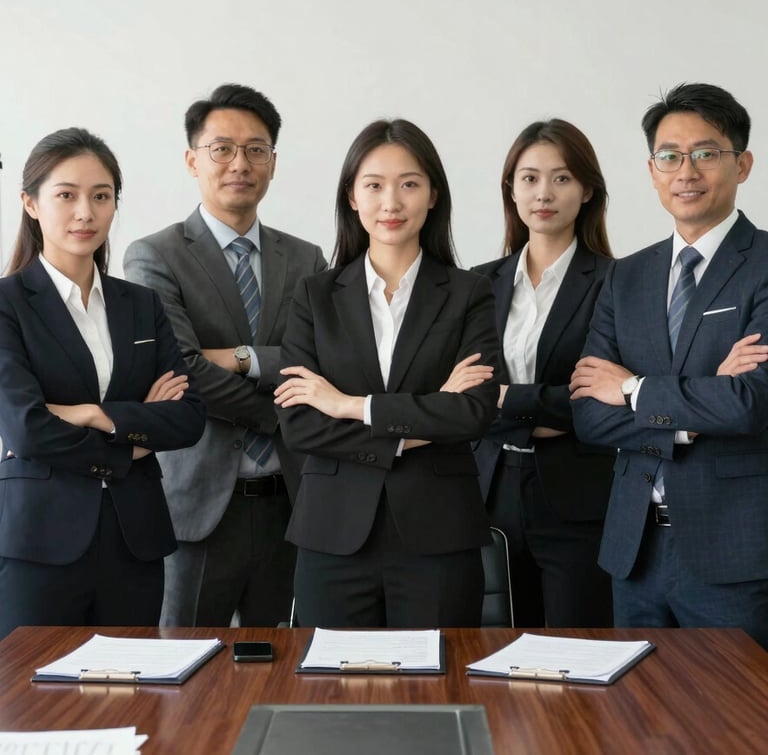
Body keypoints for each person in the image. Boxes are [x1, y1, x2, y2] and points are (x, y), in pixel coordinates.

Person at [274, 118, 500, 628]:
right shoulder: (315, 295)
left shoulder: (470, 293)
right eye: (373, 185)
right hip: (332, 534)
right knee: (330, 696)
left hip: (439, 533)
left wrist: (349, 406)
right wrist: (420, 422)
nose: (391, 202)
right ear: (352, 197)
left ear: (433, 195)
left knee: (436, 693)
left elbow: (473, 413)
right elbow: (300, 423)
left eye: (409, 184)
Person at [570, 83, 768, 648]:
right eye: (670, 156)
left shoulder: (764, 266)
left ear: (742, 164)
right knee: (634, 725)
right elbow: (588, 414)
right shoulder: (626, 276)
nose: (688, 171)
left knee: (733, 728)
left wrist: (632, 389)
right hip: (634, 552)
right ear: (652, 170)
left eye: (707, 153)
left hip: (734, 551)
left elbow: (751, 402)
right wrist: (697, 407)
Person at [123, 84, 326, 628]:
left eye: (256, 149)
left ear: (273, 163)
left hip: (291, 498)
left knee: (283, 671)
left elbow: (320, 364)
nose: (240, 163)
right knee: (183, 675)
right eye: (222, 149)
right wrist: (277, 409)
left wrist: (240, 357)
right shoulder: (153, 256)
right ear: (193, 160)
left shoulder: (306, 257)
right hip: (198, 503)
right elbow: (180, 367)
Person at [0, 127, 205, 639]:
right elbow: (27, 430)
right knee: (33, 703)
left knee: (131, 694)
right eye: (66, 196)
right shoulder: (7, 305)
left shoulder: (141, 304)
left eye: (101, 196)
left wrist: (94, 414)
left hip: (134, 539)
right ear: (30, 203)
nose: (85, 213)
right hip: (39, 541)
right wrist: (132, 442)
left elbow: (187, 419)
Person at [472, 119, 615, 628]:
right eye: (529, 178)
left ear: (587, 189)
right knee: (490, 656)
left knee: (574, 659)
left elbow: (600, 403)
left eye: (561, 178)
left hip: (577, 501)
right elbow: (461, 400)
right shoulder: (477, 285)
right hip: (486, 496)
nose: (544, 193)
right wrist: (541, 405)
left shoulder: (614, 282)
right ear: (511, 189)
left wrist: (505, 399)